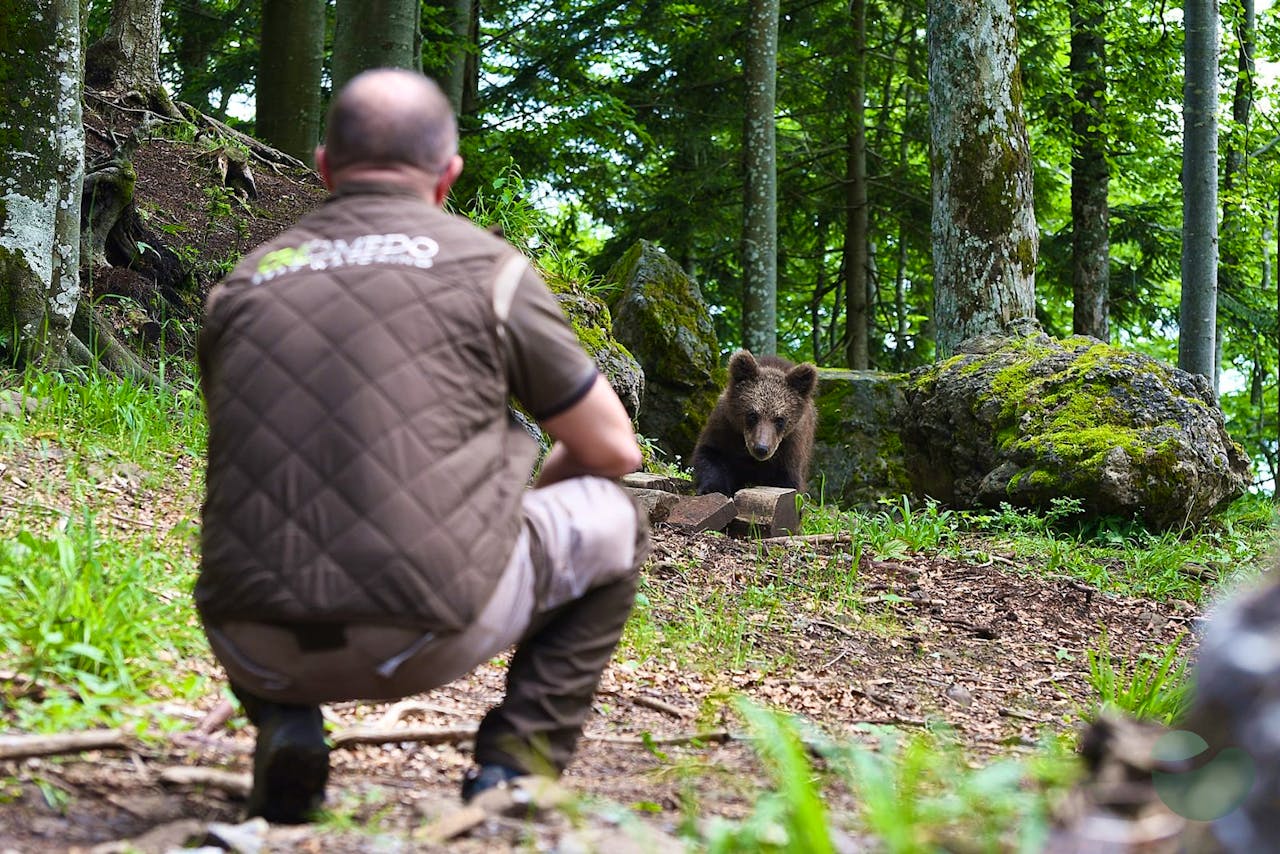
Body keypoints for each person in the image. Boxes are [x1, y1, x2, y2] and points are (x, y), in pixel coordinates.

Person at [195, 68, 649, 824]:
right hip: (425, 627)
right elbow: (612, 450)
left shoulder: (244, 284)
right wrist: (515, 513)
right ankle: (514, 769)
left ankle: (285, 722)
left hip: (249, 634)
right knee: (613, 513)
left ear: (323, 168)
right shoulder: (490, 272)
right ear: (448, 176)